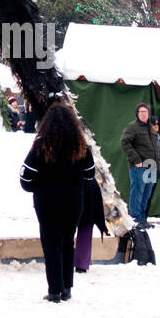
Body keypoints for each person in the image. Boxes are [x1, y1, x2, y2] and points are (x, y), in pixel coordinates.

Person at [20, 103, 96, 303]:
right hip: (73, 199)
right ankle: (66, 287)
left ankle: (54, 290)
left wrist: (35, 187)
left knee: (51, 243)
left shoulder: (41, 145)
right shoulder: (81, 146)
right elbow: (90, 174)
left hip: (46, 199)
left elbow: (26, 176)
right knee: (67, 241)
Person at [120, 104, 155, 228]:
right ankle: (135, 220)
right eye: (140, 112)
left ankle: (142, 219)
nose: (143, 114)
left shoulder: (150, 128)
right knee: (137, 192)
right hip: (139, 166)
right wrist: (136, 159)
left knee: (146, 194)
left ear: (149, 113)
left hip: (151, 166)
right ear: (137, 113)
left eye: (145, 111)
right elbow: (125, 142)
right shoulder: (132, 127)